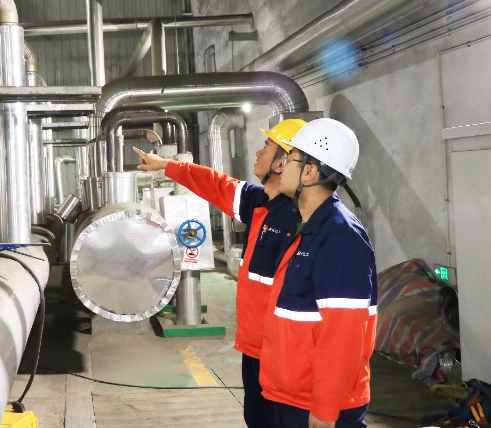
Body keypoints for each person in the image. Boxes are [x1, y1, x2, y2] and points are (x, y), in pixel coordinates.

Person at [134, 118, 307, 428]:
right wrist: (166, 165)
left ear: (282, 162)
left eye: (266, 146)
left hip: (281, 351)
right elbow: (215, 183)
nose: (257, 152)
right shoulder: (259, 201)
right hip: (254, 346)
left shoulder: (298, 218)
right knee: (257, 418)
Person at [260, 117, 377, 428]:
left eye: (289, 159)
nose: (281, 166)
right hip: (292, 395)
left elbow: (343, 334)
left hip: (317, 407)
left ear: (309, 172)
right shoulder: (308, 226)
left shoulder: (341, 238)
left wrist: (325, 412)